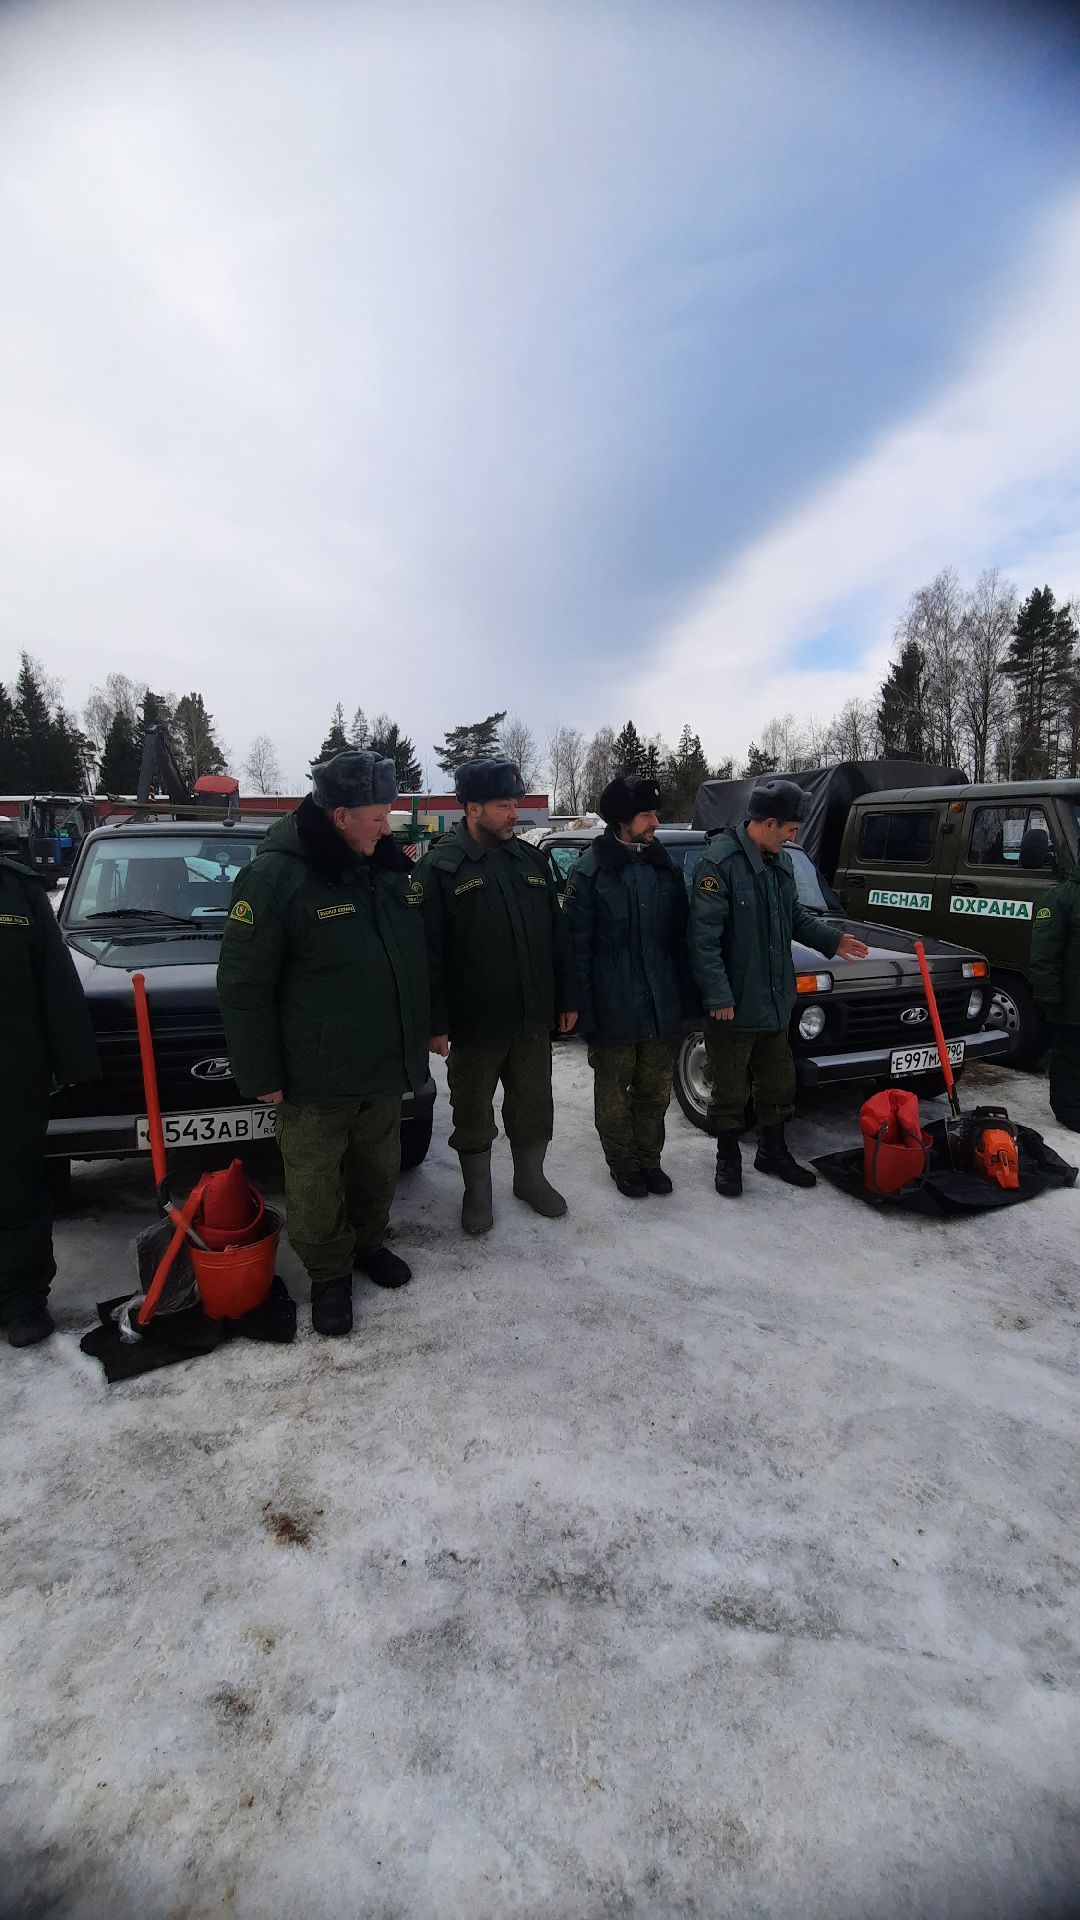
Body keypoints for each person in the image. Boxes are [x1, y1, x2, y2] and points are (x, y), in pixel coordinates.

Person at [217, 751, 430, 1337]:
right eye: (377, 816)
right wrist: (260, 1072)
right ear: (339, 816)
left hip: (382, 1063)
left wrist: (424, 1030)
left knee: (378, 1168)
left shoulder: (384, 867)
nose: (388, 827)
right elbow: (242, 984)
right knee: (314, 1181)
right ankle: (330, 1275)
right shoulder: (274, 877)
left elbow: (412, 960)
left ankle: (367, 1246)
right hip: (315, 1072)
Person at [688, 776, 869, 1196]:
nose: (794, 836)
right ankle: (727, 1160)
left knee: (778, 1082)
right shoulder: (720, 863)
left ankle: (772, 1151)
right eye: (790, 829)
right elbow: (703, 940)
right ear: (768, 823)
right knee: (730, 1089)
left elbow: (795, 918)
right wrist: (717, 996)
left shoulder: (780, 862)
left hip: (773, 999)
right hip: (733, 1004)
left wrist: (832, 940)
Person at [418, 758, 577, 1235]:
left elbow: (558, 936)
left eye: (516, 804)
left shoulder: (529, 860)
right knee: (472, 1110)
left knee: (533, 1104)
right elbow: (428, 955)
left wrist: (566, 998)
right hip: (474, 1023)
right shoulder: (440, 867)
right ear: (472, 809)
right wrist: (435, 1021)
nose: (514, 814)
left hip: (530, 1017)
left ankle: (530, 1179)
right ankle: (477, 1193)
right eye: (504, 806)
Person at [564, 775, 697, 1197]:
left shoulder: (663, 867)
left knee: (655, 1090)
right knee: (614, 1092)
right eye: (647, 814)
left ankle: (650, 1160)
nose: (656, 821)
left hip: (660, 1003)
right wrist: (580, 1008)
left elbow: (679, 939)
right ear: (623, 820)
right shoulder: (590, 871)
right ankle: (622, 1163)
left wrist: (686, 996)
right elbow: (575, 948)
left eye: (655, 813)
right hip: (612, 1004)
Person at [0, 819, 99, 1347]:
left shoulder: (16, 887)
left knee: (17, 1193)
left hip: (12, 1074)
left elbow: (55, 981)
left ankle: (21, 1298)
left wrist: (76, 1065)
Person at [1030, 870, 1080, 1132]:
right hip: (1073, 1000)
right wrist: (1048, 995)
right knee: (1070, 1054)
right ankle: (1070, 1112)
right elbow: (1044, 952)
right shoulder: (1062, 897)